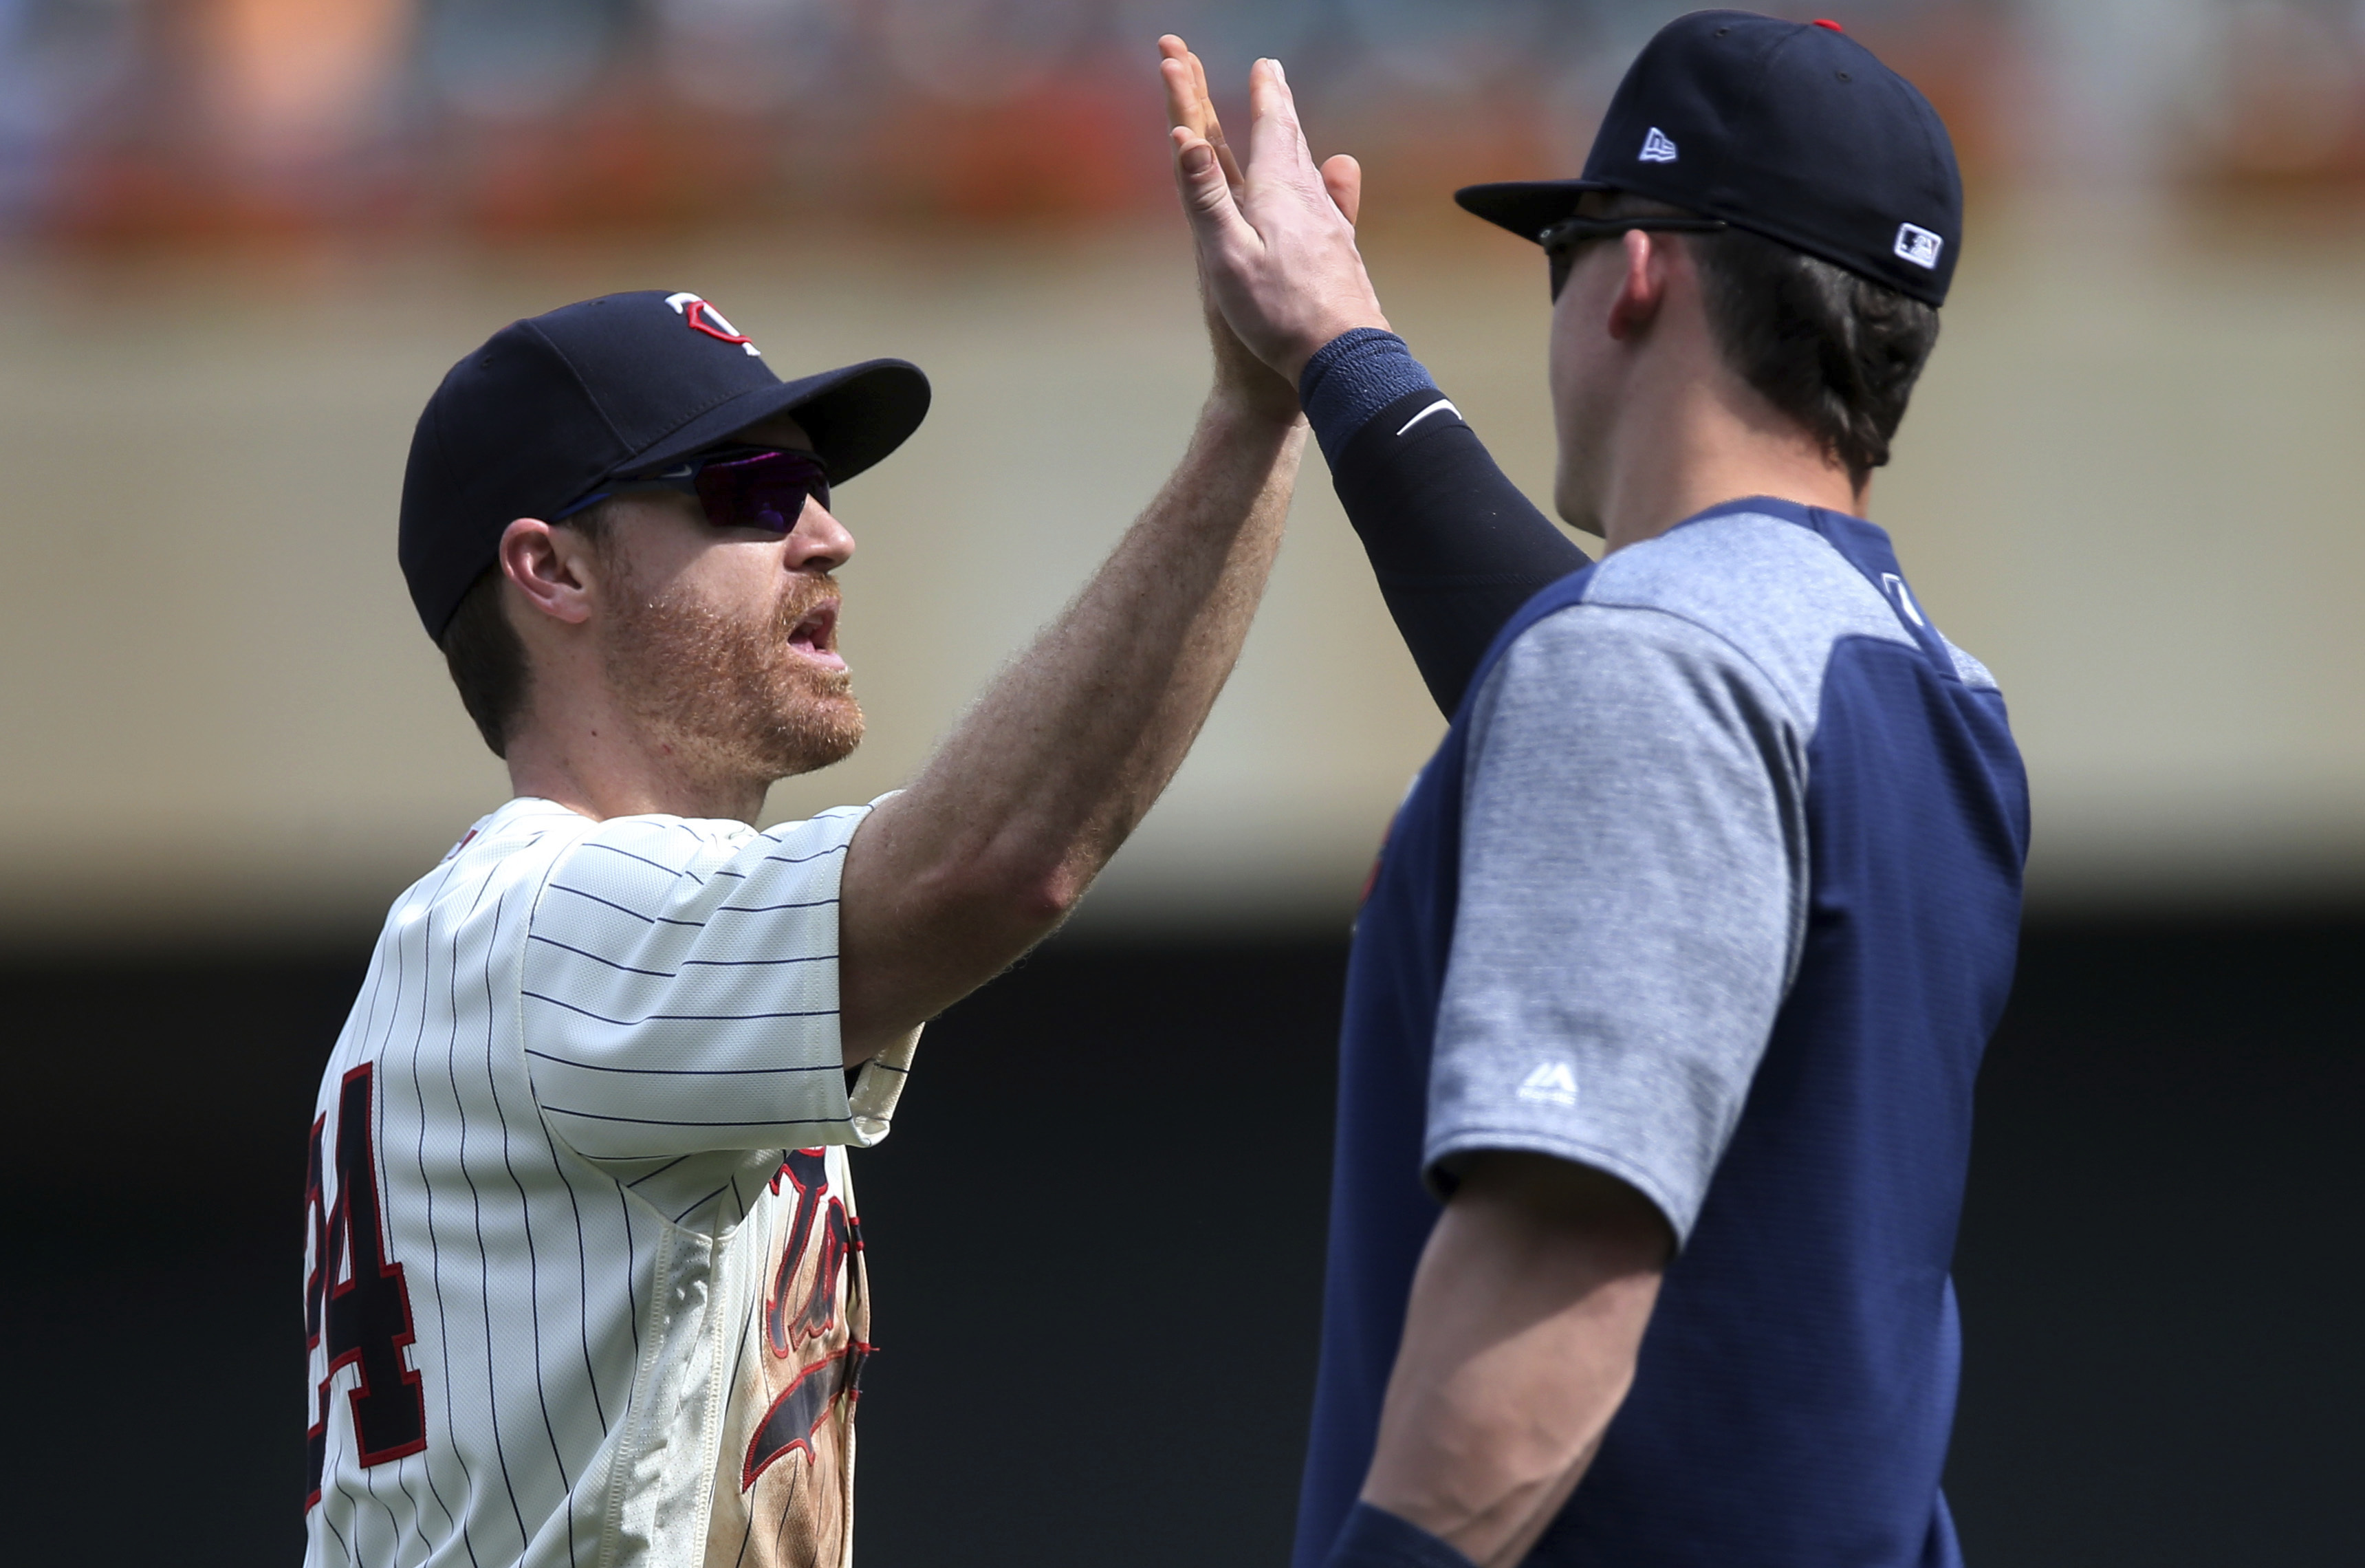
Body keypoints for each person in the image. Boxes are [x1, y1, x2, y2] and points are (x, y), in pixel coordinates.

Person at [1162, 13, 2025, 1568]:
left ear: (1636, 273)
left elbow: (1547, 1307)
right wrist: (1337, 353)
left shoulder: (1646, 670)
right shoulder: (1916, 680)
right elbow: (1582, 674)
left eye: (1561, 244)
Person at [302, 276, 1307, 1565]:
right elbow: (994, 867)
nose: (828, 537)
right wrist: (1254, 414)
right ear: (550, 571)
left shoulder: (536, 937)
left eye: (816, 487)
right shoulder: (557, 922)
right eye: (747, 493)